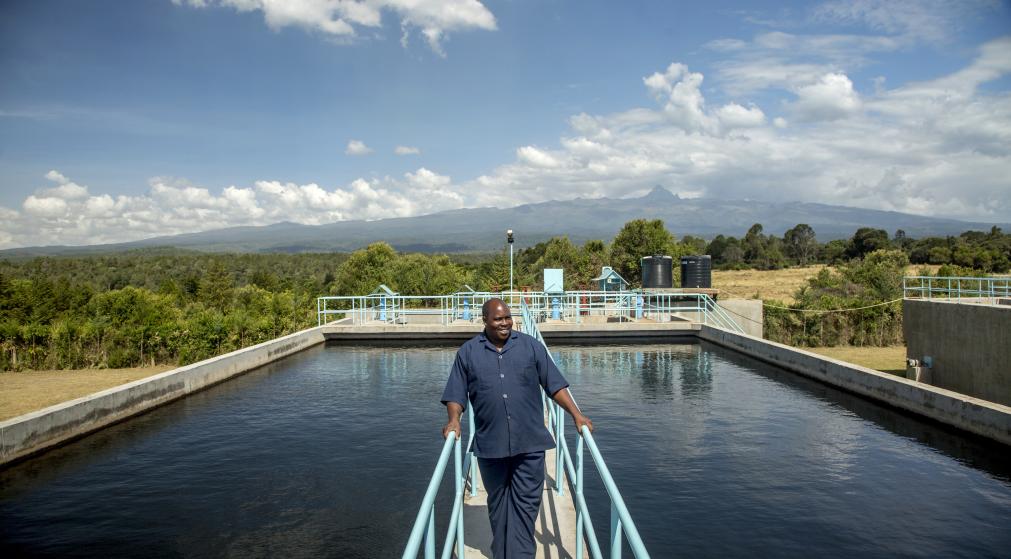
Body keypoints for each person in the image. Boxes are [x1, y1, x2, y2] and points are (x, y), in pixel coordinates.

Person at [441, 298, 592, 559]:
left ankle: (521, 555)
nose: (505, 323)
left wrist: (576, 415)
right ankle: (501, 552)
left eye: (508, 317)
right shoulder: (468, 352)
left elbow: (554, 385)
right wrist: (454, 419)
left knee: (525, 504)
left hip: (530, 442)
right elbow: (456, 393)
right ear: (485, 320)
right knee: (498, 504)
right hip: (491, 445)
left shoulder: (530, 346)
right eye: (498, 319)